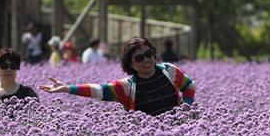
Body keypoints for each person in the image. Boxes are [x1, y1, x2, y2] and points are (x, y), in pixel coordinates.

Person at [40, 37, 195, 116]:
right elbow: (99, 90)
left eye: (149, 54)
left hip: (177, 131)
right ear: (131, 64)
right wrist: (67, 88)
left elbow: (189, 86)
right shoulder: (127, 87)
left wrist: (187, 106)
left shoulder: (169, 71)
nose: (146, 59)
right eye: (139, 58)